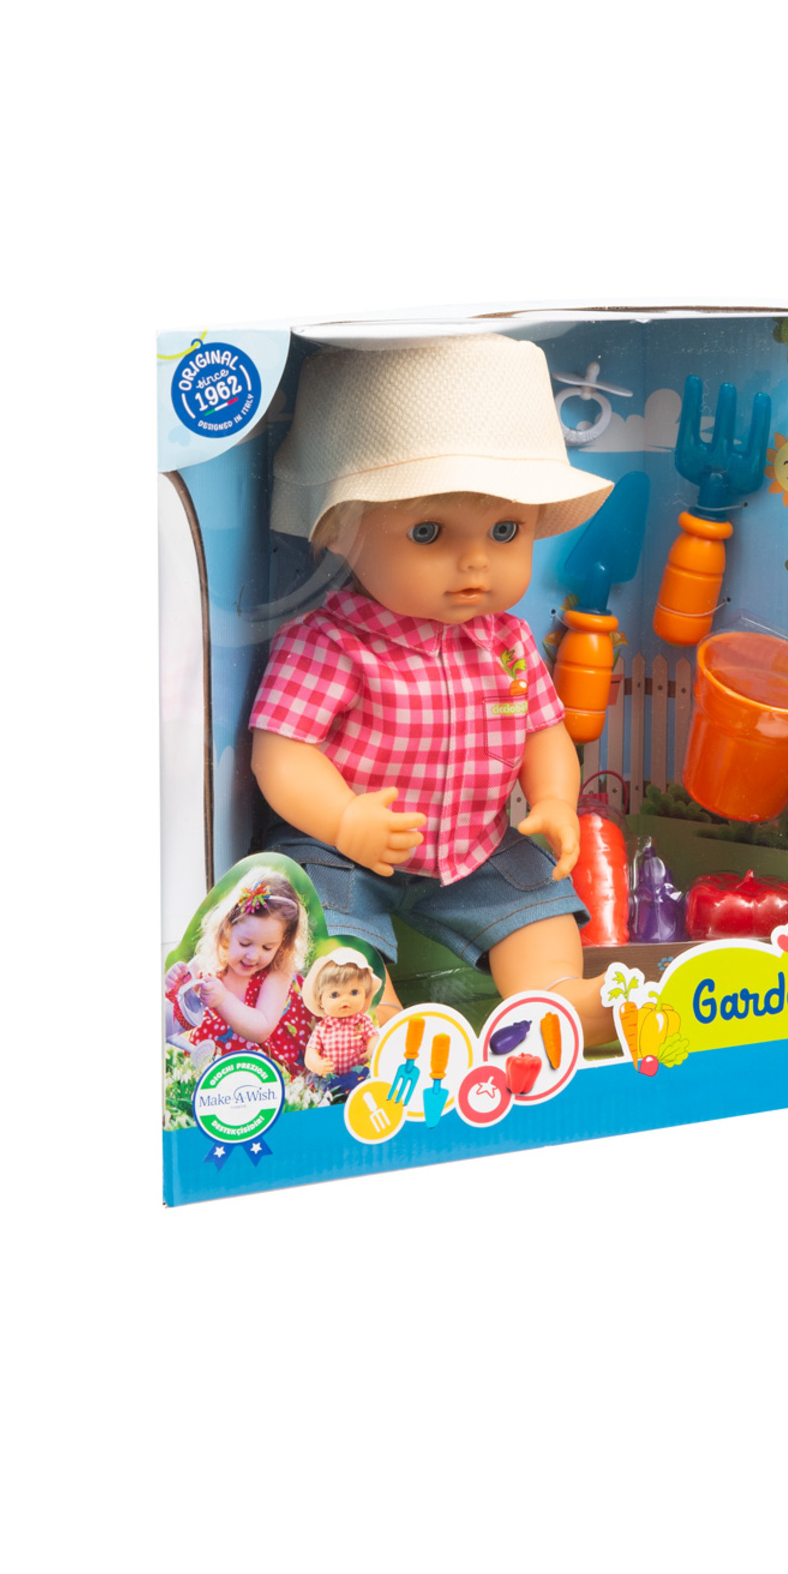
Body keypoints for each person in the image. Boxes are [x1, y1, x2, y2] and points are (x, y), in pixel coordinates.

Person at [250, 333, 617, 1046]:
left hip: (477, 841)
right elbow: (280, 752)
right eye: (428, 531)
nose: (475, 561)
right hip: (347, 844)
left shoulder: (508, 642)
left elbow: (544, 731)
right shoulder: (330, 641)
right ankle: (372, 1018)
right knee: (320, 912)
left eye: (505, 530)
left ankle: (555, 998)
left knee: (534, 890)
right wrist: (342, 818)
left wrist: (553, 801)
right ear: (342, 532)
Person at [183, 868, 318, 1073]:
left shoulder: (278, 972)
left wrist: (222, 999)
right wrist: (176, 981)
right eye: (245, 943)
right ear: (227, 929)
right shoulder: (208, 962)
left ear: (283, 942)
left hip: (270, 1068)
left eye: (267, 947)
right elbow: (176, 1001)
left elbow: (261, 1029)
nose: (253, 956)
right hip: (217, 1069)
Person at [303, 947, 396, 1085]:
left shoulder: (362, 1022)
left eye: (354, 992)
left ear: (365, 995)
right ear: (321, 1000)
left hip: (359, 1074)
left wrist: (372, 1048)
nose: (345, 999)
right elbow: (311, 1052)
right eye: (335, 995)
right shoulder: (323, 1028)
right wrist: (317, 1064)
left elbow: (373, 1038)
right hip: (331, 1078)